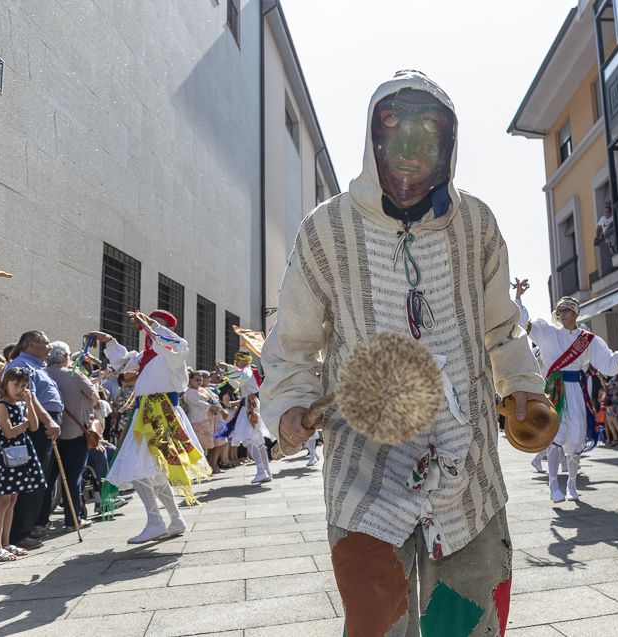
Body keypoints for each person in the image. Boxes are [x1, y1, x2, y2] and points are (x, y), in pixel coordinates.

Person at [260, 71, 547, 635]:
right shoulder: (326, 230)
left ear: (448, 146)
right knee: (376, 620)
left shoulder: (477, 225)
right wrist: (290, 407)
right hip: (364, 465)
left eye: (428, 136)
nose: (412, 154)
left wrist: (523, 389)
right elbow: (293, 342)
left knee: (462, 620)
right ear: (374, 139)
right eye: (397, 133)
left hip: (466, 470)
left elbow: (502, 327)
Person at [93, 310, 208, 543]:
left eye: (158, 325)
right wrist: (109, 341)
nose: (149, 329)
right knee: (148, 470)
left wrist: (151, 324)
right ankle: (173, 519)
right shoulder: (144, 356)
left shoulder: (173, 352)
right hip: (145, 414)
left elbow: (177, 345)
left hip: (161, 413)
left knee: (139, 467)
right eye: (148, 324)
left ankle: (157, 521)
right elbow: (122, 362)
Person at [516, 280, 618, 502]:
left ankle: (571, 484)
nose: (562, 314)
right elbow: (526, 323)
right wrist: (519, 296)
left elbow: (608, 362)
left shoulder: (588, 340)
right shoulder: (548, 333)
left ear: (576, 314)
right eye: (559, 311)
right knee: (554, 435)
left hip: (577, 391)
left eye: (566, 311)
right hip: (554, 391)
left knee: (575, 438)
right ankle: (553, 486)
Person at [0, 367, 47, 562]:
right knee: (2, 501)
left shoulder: (20, 403)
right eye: (15, 385)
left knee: (12, 499)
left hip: (19, 455)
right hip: (6, 456)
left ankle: (6, 542)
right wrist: (23, 424)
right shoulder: (1, 405)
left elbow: (34, 425)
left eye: (23, 385)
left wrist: (30, 402)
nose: (19, 389)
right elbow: (9, 432)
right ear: (5, 383)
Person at [4, 331, 62, 549]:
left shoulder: (39, 366)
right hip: (34, 428)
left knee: (41, 479)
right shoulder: (21, 365)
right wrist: (49, 422)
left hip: (44, 426)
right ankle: (19, 533)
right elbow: (30, 398)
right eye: (46, 344)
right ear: (32, 345)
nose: (49, 348)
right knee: (30, 480)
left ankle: (30, 526)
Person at [45, 341, 99, 529]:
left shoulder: (43, 374)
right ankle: (73, 519)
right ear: (66, 357)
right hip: (75, 433)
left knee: (49, 479)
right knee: (73, 477)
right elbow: (95, 398)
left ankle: (41, 521)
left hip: (50, 434)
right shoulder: (75, 375)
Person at [226, 352, 272, 485]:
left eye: (237, 360)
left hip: (250, 405)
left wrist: (228, 368)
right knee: (258, 440)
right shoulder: (251, 369)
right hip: (251, 403)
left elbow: (239, 381)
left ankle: (261, 470)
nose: (236, 362)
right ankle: (266, 471)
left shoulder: (247, 370)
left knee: (249, 439)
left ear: (243, 360)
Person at [182, 370, 227, 474]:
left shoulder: (202, 390)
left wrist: (220, 409)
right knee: (198, 446)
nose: (199, 382)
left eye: (201, 380)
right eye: (197, 380)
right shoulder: (189, 392)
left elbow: (214, 400)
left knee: (206, 447)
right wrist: (211, 406)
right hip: (196, 421)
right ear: (190, 381)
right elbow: (196, 402)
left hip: (207, 420)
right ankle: (197, 471)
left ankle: (204, 469)